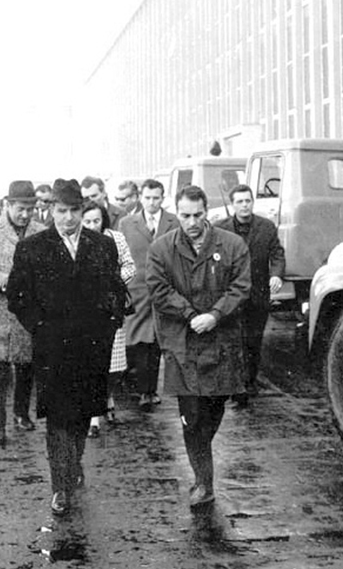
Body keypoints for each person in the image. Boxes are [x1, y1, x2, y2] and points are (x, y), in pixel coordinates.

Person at [7, 179, 124, 516]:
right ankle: (61, 485)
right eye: (62, 211)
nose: (69, 218)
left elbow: (115, 289)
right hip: (53, 346)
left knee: (83, 411)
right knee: (58, 415)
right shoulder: (33, 247)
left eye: (75, 211)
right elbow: (18, 296)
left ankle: (73, 464)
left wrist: (108, 324)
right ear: (51, 211)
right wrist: (40, 327)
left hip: (92, 345)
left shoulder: (102, 245)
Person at [147, 185, 251, 508]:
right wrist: (191, 314)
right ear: (176, 213)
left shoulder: (232, 244)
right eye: (185, 215)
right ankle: (203, 481)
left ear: (208, 212)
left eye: (198, 215)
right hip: (183, 342)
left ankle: (200, 455)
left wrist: (215, 315)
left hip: (220, 340)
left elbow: (241, 286)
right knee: (191, 415)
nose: (192, 222)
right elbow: (158, 289)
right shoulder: (162, 248)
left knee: (214, 407)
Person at [0, 181, 45, 444]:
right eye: (21, 208)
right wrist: (4, 280)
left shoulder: (41, 231)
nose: (25, 214)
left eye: (30, 209)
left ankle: (21, 413)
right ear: (8, 205)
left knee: (25, 363)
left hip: (27, 310)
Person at [217, 185, 285, 408]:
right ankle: (234, 387)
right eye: (239, 202)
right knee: (232, 341)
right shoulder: (221, 229)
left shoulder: (266, 227)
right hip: (231, 295)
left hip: (257, 295)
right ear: (233, 204)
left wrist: (276, 275)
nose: (244, 205)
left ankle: (249, 382)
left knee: (253, 341)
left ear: (252, 203)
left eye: (248, 201)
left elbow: (277, 253)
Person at [119, 179, 179, 411]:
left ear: (163, 198)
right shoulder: (127, 223)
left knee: (155, 341)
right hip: (137, 290)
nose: (152, 202)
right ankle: (133, 383)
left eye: (156, 198)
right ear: (140, 198)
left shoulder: (173, 222)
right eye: (147, 198)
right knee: (135, 339)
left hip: (163, 289)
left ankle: (148, 390)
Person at [82, 201, 135, 437]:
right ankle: (93, 417)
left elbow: (130, 266)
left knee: (114, 363)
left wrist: (112, 283)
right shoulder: (77, 241)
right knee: (91, 361)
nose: (93, 225)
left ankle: (108, 395)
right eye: (88, 221)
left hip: (112, 306)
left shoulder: (116, 238)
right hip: (85, 307)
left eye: (96, 220)